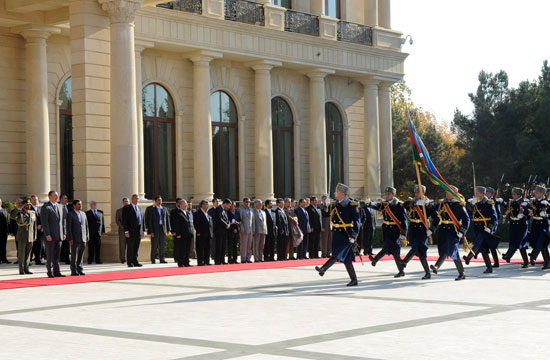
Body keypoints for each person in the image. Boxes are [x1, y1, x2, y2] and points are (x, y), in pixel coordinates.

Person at [315, 183, 360, 286]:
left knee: (336, 254)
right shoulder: (334, 205)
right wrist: (324, 205)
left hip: (346, 234)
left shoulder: (352, 205)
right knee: (347, 259)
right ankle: (354, 279)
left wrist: (354, 235)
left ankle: (323, 269)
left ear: (343, 194)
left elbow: (357, 221)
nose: (335, 193)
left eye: (337, 192)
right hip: (336, 233)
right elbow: (326, 214)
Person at [367, 187, 408, 277]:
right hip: (387, 229)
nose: (386, 195)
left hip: (395, 230)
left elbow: (404, 220)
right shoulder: (385, 204)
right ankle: (375, 260)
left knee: (395, 250)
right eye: (386, 194)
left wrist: (404, 232)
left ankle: (401, 271)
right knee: (386, 247)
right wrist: (369, 204)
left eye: (388, 194)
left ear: (393, 195)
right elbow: (377, 206)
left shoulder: (399, 205)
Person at [431, 185, 470, 280]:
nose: (447, 194)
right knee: (453, 252)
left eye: (449, 193)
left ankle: (437, 266)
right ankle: (462, 273)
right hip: (443, 230)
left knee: (448, 249)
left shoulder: (459, 205)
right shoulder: (442, 203)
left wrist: (462, 231)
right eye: (446, 192)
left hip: (454, 231)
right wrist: (427, 203)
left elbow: (466, 219)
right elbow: (432, 209)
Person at [401, 185, 439, 279]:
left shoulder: (428, 204)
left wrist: (432, 230)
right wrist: (415, 203)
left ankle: (405, 261)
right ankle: (427, 272)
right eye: (415, 192)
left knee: (418, 247)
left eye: (418, 192)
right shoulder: (412, 201)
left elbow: (437, 218)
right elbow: (405, 204)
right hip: (413, 228)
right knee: (418, 249)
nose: (416, 194)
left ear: (423, 193)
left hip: (423, 229)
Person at [463, 186, 499, 273]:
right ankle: (489, 267)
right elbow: (470, 213)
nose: (475, 195)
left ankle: (469, 257)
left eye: (477, 193)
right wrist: (472, 205)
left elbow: (494, 218)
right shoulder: (476, 202)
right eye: (475, 193)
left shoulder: (489, 203)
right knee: (483, 249)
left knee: (478, 243)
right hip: (477, 227)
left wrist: (490, 227)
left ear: (482, 194)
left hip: (485, 227)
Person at [501, 187, 530, 268]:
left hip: (521, 225)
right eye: (513, 194)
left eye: (514, 194)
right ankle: (512, 257)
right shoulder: (512, 202)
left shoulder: (525, 202)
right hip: (513, 224)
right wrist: (502, 202)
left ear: (519, 195)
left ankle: (509, 255)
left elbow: (529, 214)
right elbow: (508, 209)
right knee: (514, 242)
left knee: (519, 243)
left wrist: (523, 215)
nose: (513, 195)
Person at [41, 191, 66, 278]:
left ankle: (57, 271)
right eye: (54, 195)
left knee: (57, 255)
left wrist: (64, 232)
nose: (56, 197)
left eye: (57, 195)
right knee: (50, 255)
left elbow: (63, 221)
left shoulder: (60, 206)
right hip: (50, 236)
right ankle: (49, 271)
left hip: (59, 235)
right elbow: (45, 223)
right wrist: (47, 234)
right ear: (49, 196)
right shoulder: (46, 207)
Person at [527, 185, 550, 269]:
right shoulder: (534, 202)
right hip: (535, 224)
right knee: (542, 244)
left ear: (542, 194)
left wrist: (546, 215)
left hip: (543, 225)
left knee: (540, 242)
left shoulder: (547, 202)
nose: (535, 194)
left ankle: (533, 256)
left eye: (537, 192)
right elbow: (529, 210)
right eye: (535, 192)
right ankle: (547, 262)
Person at [145, 196, 171, 264]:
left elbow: (167, 220)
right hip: (155, 229)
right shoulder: (152, 210)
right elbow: (150, 221)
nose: (160, 201)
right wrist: (151, 231)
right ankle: (153, 259)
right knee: (154, 245)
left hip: (163, 229)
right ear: (155, 201)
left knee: (162, 245)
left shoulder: (164, 209)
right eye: (158, 200)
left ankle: (162, 259)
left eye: (161, 200)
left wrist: (168, 229)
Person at [66, 199, 89, 276]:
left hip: (83, 237)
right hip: (74, 238)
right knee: (74, 255)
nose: (80, 206)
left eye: (81, 204)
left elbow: (86, 226)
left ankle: (80, 269)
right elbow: (68, 227)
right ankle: (73, 270)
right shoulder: (70, 214)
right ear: (74, 205)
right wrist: (70, 238)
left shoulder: (83, 214)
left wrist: (87, 236)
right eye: (78, 204)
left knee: (80, 255)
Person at [15, 198, 37, 275]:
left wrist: (35, 236)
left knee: (28, 254)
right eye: (26, 205)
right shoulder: (19, 213)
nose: (28, 206)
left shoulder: (32, 213)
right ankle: (21, 270)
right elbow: (13, 216)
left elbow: (34, 226)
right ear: (23, 205)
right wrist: (18, 207)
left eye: (29, 205)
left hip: (30, 236)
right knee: (21, 254)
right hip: (22, 236)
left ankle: (26, 268)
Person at [122, 194, 144, 267]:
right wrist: (126, 231)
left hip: (138, 231)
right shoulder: (127, 208)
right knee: (130, 247)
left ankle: (135, 261)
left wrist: (142, 231)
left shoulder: (140, 208)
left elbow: (142, 220)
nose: (137, 200)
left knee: (136, 247)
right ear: (132, 199)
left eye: (138, 199)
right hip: (130, 231)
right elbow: (125, 221)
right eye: (135, 198)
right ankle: (130, 262)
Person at [170, 198, 194, 267]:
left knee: (187, 249)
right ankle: (181, 262)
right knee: (181, 249)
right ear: (180, 205)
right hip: (181, 234)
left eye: (186, 204)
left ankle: (186, 262)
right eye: (184, 204)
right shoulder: (177, 213)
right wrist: (178, 233)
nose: (186, 205)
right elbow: (176, 224)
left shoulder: (187, 212)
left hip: (188, 234)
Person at [86, 200, 105, 264]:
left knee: (98, 247)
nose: (95, 204)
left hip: (98, 233)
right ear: (90, 205)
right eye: (93, 203)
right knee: (90, 247)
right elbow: (86, 224)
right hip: (91, 233)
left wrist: (103, 230)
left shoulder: (100, 212)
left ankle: (98, 260)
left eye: (95, 203)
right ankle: (90, 260)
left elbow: (102, 222)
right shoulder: (87, 213)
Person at [194, 200, 212, 266]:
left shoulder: (207, 213)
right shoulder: (197, 213)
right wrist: (198, 231)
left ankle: (206, 261)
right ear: (203, 205)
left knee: (207, 248)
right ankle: (200, 262)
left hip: (208, 234)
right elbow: (196, 223)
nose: (208, 206)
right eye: (206, 204)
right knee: (200, 249)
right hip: (201, 234)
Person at [213, 199, 231, 265]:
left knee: (223, 246)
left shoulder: (224, 210)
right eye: (228, 205)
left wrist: (229, 223)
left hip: (224, 231)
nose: (229, 207)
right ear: (225, 203)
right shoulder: (218, 209)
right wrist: (226, 225)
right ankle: (217, 261)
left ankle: (222, 260)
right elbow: (219, 219)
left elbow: (227, 219)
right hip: (219, 231)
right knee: (219, 246)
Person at [238, 198, 253, 263]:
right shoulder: (241, 210)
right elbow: (240, 220)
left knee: (249, 245)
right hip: (244, 230)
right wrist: (242, 229)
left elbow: (253, 220)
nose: (248, 203)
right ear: (243, 202)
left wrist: (253, 229)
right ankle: (243, 259)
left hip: (250, 230)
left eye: (249, 202)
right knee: (244, 245)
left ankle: (248, 258)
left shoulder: (251, 210)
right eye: (246, 202)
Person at [29, 195, 44, 265]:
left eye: (37, 200)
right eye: (34, 200)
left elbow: (43, 219)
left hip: (40, 231)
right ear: (31, 201)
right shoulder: (29, 209)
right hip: (32, 231)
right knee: (31, 246)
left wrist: (41, 225)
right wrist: (35, 226)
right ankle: (28, 260)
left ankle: (38, 259)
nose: (36, 201)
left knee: (39, 246)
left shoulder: (40, 208)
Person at [116, 197, 130, 264]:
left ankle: (129, 258)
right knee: (122, 246)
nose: (126, 202)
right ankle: (122, 259)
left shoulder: (131, 210)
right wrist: (124, 228)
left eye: (127, 201)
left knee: (130, 245)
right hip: (122, 231)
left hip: (130, 231)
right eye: (125, 201)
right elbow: (117, 221)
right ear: (123, 202)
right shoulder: (119, 211)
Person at [59, 194, 71, 265]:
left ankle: (66, 259)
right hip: (60, 228)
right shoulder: (58, 206)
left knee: (67, 244)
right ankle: (61, 257)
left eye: (66, 198)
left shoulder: (69, 207)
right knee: (60, 244)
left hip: (68, 228)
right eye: (64, 198)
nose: (66, 200)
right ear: (61, 199)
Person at [0, 199, 11, 263]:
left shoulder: (5, 210)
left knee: (3, 245)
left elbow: (8, 221)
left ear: (1, 203)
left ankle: (4, 259)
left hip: (4, 231)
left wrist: (9, 231)